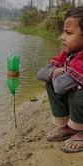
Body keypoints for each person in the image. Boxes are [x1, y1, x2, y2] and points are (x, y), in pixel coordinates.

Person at [37, 6, 83, 153]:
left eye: (68, 33)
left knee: (79, 93)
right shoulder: (69, 53)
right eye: (64, 31)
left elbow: (59, 87)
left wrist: (58, 72)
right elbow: (41, 73)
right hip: (63, 75)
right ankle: (70, 126)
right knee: (52, 81)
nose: (62, 37)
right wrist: (59, 70)